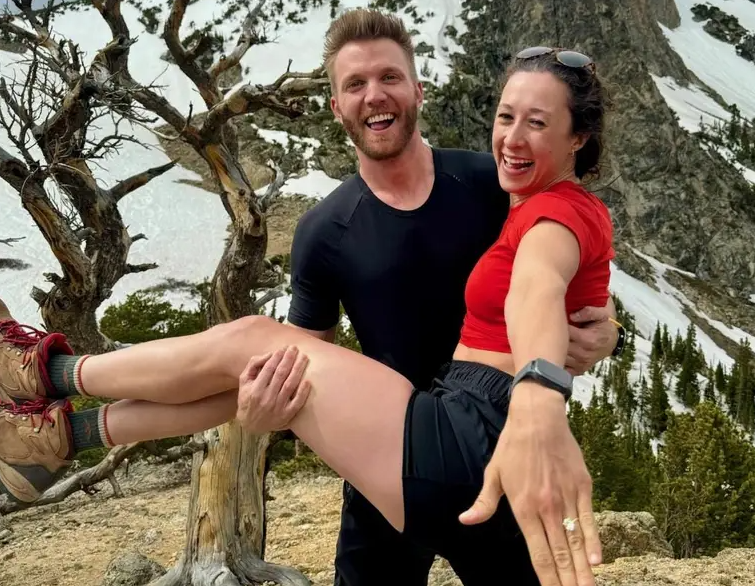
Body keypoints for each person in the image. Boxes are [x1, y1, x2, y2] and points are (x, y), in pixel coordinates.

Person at [0, 10, 618, 586]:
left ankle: (48, 378)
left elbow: (545, 273)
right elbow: (292, 367)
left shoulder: (495, 182)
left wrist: (585, 345)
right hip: (385, 431)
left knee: (253, 341)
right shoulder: (326, 229)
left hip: (492, 433)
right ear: (336, 106)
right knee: (263, 356)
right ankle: (58, 432)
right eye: (355, 84)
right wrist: (266, 413)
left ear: (417, 89)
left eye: (389, 77)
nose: (374, 95)